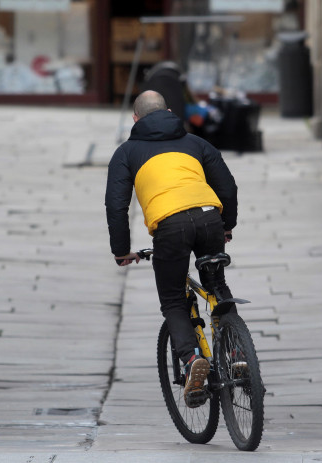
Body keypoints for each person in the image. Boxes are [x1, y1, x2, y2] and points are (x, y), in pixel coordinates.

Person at [105, 90, 238, 408]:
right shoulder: (196, 144)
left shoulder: (127, 152)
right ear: (168, 111)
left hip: (171, 227)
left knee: (174, 300)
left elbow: (116, 205)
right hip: (209, 219)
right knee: (216, 284)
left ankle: (192, 360)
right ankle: (236, 353)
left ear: (135, 119)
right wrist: (227, 225)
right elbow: (227, 186)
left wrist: (122, 250)